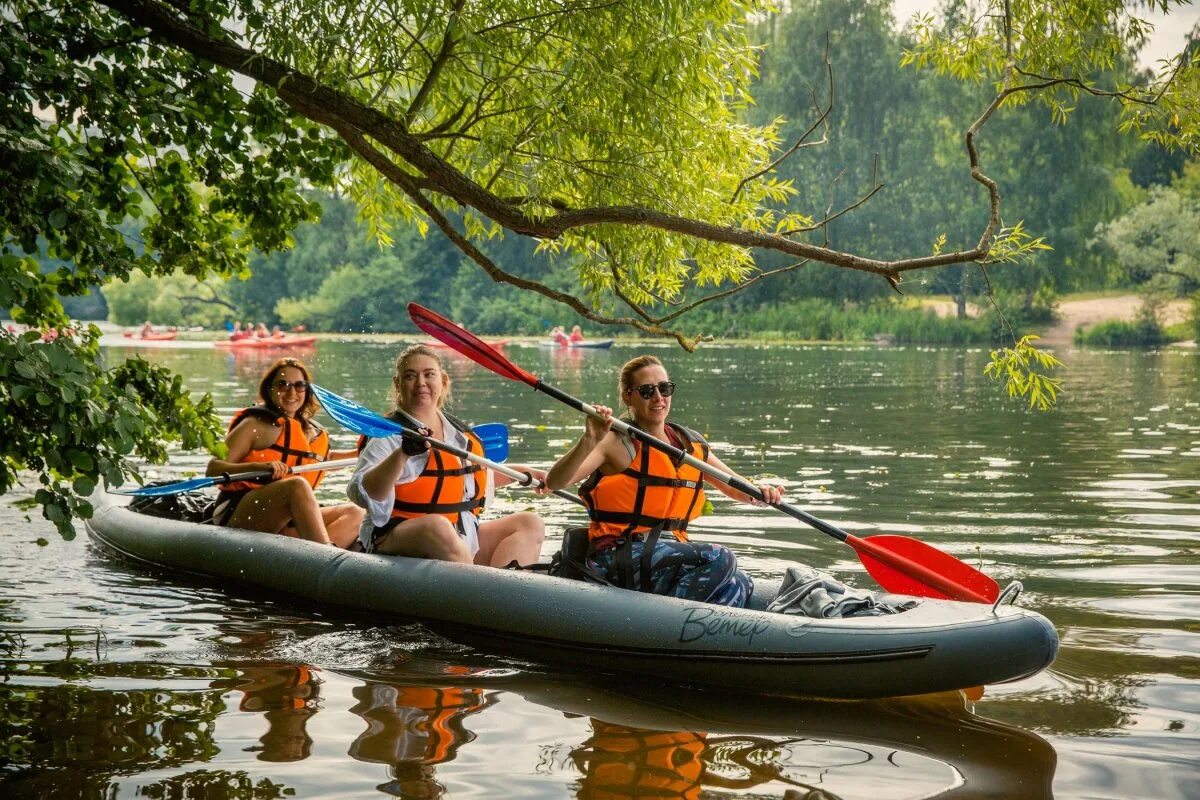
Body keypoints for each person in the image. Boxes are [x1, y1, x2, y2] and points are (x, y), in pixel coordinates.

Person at [545, 355, 783, 607]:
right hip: (619, 556)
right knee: (720, 557)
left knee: (741, 581)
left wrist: (762, 494)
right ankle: (667, 623)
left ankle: (697, 638)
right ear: (628, 396)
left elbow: (737, 487)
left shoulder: (689, 443)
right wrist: (589, 440)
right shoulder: (615, 441)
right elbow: (557, 480)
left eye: (665, 388)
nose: (658, 398)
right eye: (647, 391)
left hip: (667, 552)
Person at [348, 345, 546, 566]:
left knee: (530, 523)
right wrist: (402, 454)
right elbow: (362, 492)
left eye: (429, 374)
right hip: (395, 538)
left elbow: (468, 478)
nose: (421, 382)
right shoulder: (387, 435)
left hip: (458, 538)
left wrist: (525, 474)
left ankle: (507, 594)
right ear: (398, 384)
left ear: (443, 381)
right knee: (437, 526)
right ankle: (480, 594)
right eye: (410, 376)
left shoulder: (458, 434)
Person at [206, 357, 364, 546]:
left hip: (287, 521)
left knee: (355, 512)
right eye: (283, 384)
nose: (291, 392)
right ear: (270, 389)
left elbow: (324, 459)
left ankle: (316, 555)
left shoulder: (311, 431)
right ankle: (326, 558)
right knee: (296, 485)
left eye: (299, 385)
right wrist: (260, 467)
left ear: (307, 390)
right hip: (240, 512)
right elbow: (213, 468)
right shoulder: (253, 425)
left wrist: (362, 452)